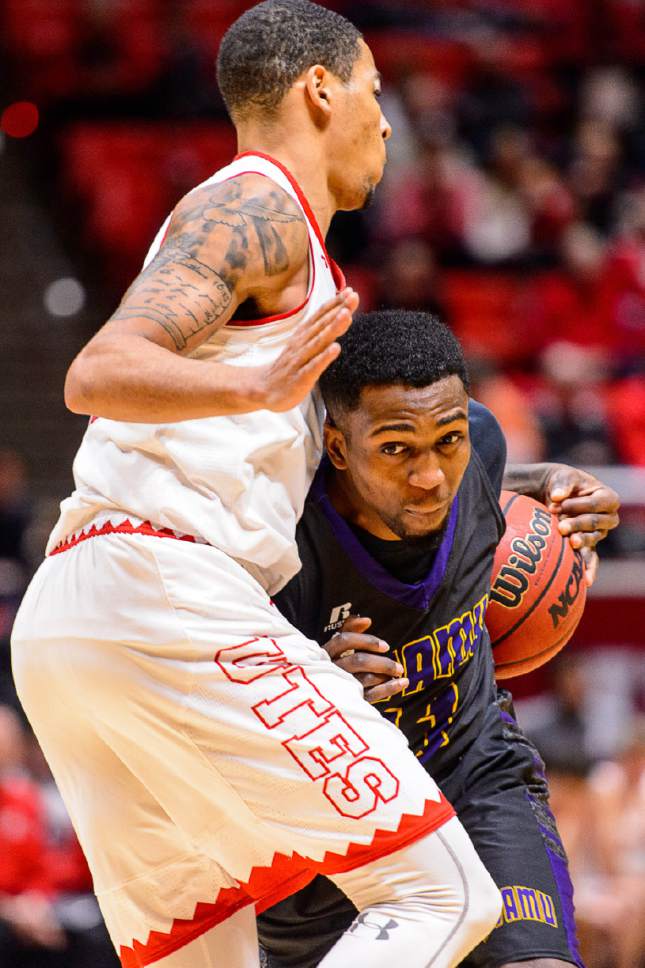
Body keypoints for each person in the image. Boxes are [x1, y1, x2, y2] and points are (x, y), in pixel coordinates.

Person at [10, 4, 504, 967]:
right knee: (439, 893)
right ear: (319, 89)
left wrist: (521, 484)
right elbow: (98, 371)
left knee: (210, 956)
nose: (387, 120)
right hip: (160, 591)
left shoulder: (275, 239)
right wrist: (254, 382)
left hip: (87, 612)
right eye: (372, 91)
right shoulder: (259, 205)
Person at [258, 309, 620, 968]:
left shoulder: (479, 443)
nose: (429, 475)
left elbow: (468, 465)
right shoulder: (278, 541)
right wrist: (313, 687)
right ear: (336, 447)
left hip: (474, 771)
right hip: (333, 814)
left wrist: (544, 484)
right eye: (395, 448)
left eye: (445, 441)